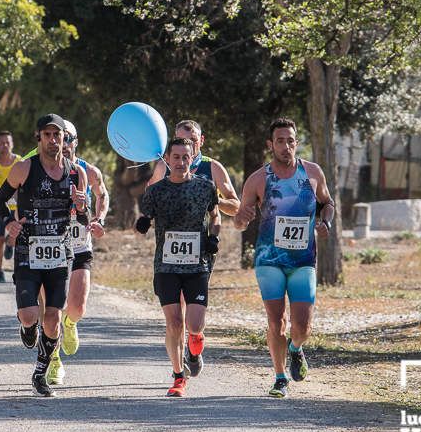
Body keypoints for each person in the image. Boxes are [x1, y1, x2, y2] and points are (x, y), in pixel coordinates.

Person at [233, 117, 334, 398]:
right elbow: (240, 221)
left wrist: (326, 223)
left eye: (290, 140)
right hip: (270, 261)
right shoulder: (258, 179)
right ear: (271, 145)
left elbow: (328, 203)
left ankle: (296, 348)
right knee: (276, 320)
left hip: (303, 260)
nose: (286, 146)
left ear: (296, 143)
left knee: (302, 326)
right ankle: (279, 377)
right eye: (280, 141)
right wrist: (241, 218)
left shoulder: (312, 173)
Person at [0, 113, 88, 397]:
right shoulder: (24, 168)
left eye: (57, 135)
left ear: (65, 139)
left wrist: (83, 208)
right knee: (28, 315)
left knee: (53, 319)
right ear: (39, 138)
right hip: (27, 249)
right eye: (47, 135)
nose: (52, 140)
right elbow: (0, 199)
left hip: (61, 253)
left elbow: (84, 220)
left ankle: (41, 372)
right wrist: (9, 222)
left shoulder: (76, 173)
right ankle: (27, 328)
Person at [136, 137, 220, 397]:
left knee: (194, 324)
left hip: (197, 265)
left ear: (193, 156)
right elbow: (145, 217)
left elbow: (215, 215)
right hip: (166, 266)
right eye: (176, 157)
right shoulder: (156, 191)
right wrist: (142, 224)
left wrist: (213, 235)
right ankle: (178, 375)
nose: (181, 162)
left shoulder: (205, 187)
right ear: (168, 159)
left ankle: (195, 343)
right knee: (174, 322)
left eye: (186, 157)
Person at [46, 120, 109, 386]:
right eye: (61, 138)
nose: (65, 144)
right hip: (51, 248)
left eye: (69, 139)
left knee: (78, 306)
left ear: (75, 142)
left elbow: (103, 195)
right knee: (52, 309)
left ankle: (71, 323)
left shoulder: (89, 171)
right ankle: (54, 361)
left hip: (80, 244)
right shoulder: (44, 170)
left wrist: (99, 219)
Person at [147, 119, 240, 216]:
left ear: (202, 140)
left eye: (193, 140)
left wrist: (213, 199)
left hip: (203, 230)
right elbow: (149, 202)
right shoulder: (164, 166)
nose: (187, 145)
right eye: (181, 140)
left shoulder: (214, 167)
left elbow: (236, 208)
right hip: (167, 230)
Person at [0, 131, 21, 283]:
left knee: (16, 236)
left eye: (8, 142)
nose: (5, 145)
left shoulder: (20, 163)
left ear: (12, 144)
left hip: (18, 208)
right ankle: (0, 271)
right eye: (1, 143)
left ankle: (11, 243)